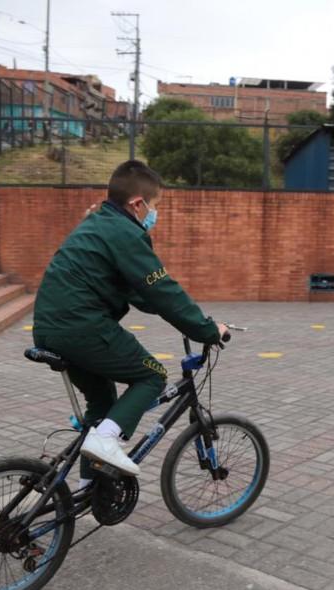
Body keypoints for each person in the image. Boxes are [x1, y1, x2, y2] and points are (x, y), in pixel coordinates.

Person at [32, 160, 228, 481]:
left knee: (103, 402)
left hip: (50, 328)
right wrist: (206, 329)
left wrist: (179, 315)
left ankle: (87, 485)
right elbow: (162, 291)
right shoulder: (125, 232)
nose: (154, 215)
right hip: (83, 327)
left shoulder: (97, 224)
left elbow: (144, 295)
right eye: (154, 206)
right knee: (151, 376)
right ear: (138, 204)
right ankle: (106, 440)